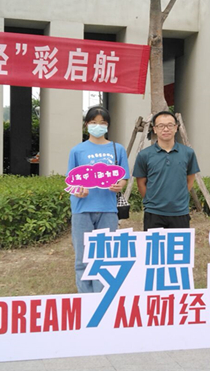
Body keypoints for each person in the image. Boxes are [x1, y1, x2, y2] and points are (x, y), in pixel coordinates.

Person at [67, 106, 130, 293]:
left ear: (107, 125)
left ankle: (101, 297)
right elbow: (70, 181)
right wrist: (78, 191)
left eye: (102, 123)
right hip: (82, 209)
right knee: (83, 258)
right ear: (86, 124)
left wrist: (120, 184)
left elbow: (124, 177)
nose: (98, 126)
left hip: (108, 209)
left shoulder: (117, 149)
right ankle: (86, 298)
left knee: (104, 257)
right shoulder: (77, 151)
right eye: (93, 122)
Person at [133, 111, 200, 231]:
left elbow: (190, 179)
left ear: (176, 128)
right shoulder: (144, 155)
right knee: (154, 244)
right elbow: (141, 183)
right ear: (155, 129)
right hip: (154, 212)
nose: (166, 129)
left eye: (170, 125)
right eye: (161, 126)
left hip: (180, 212)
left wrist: (179, 197)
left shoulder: (188, 153)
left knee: (179, 244)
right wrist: (151, 201)